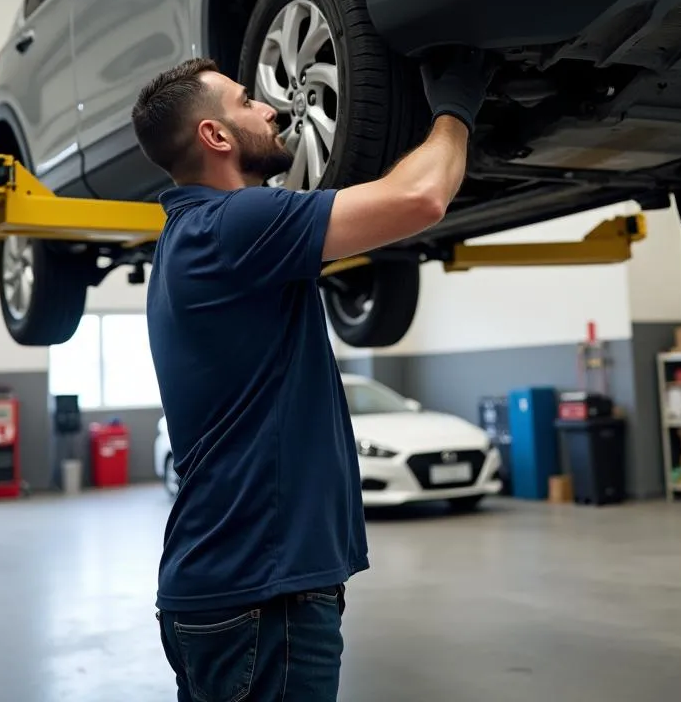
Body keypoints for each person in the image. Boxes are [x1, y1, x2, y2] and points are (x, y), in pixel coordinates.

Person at [131, 48, 494, 702]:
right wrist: (454, 109)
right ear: (214, 135)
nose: (271, 106)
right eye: (247, 101)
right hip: (261, 596)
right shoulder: (231, 226)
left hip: (229, 590)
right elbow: (421, 197)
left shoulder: (195, 238)